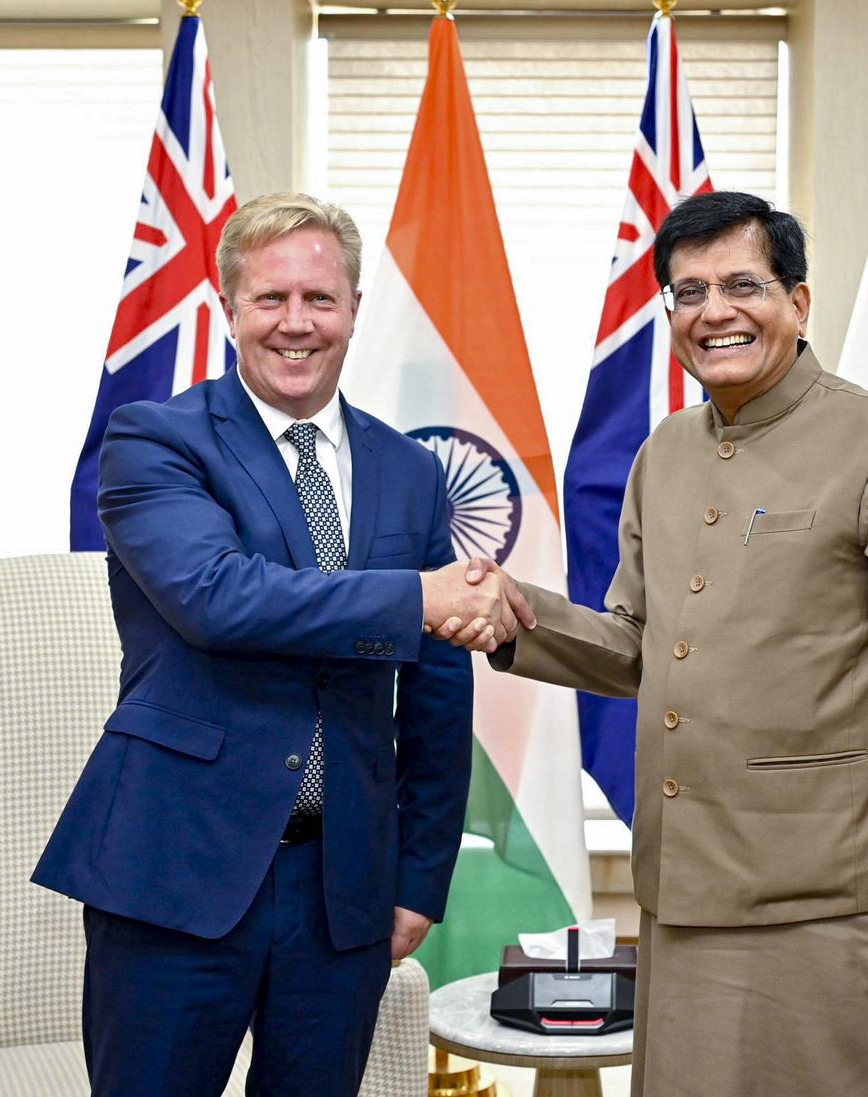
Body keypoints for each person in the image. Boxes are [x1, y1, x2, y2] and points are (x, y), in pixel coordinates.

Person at [450, 191, 868, 1097]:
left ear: (799, 302)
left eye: (743, 284)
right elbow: (632, 645)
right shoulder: (663, 452)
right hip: (683, 902)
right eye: (689, 291)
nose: (715, 311)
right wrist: (515, 615)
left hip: (837, 910)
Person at [33, 193, 520, 1097]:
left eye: (320, 299)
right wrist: (418, 595)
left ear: (354, 311)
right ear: (230, 308)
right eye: (270, 299)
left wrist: (420, 878)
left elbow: (440, 693)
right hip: (176, 869)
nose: (296, 324)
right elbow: (219, 599)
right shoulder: (154, 441)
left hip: (343, 891)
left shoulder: (411, 472)